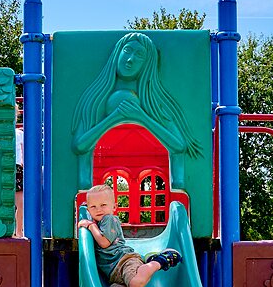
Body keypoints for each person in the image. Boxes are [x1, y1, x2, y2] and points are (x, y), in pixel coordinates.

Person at [70, 32, 202, 189]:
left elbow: (179, 146)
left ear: (147, 64)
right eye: (127, 50)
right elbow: (79, 146)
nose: (130, 59)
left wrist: (141, 117)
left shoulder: (154, 101)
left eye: (139, 55)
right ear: (117, 53)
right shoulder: (95, 99)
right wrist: (114, 118)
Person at [78, 183, 182, 287]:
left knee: (135, 284)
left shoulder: (109, 219)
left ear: (115, 207)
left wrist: (90, 225)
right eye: (93, 206)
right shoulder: (99, 222)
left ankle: (159, 261)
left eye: (103, 205)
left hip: (125, 261)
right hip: (115, 276)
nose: (98, 209)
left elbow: (104, 242)